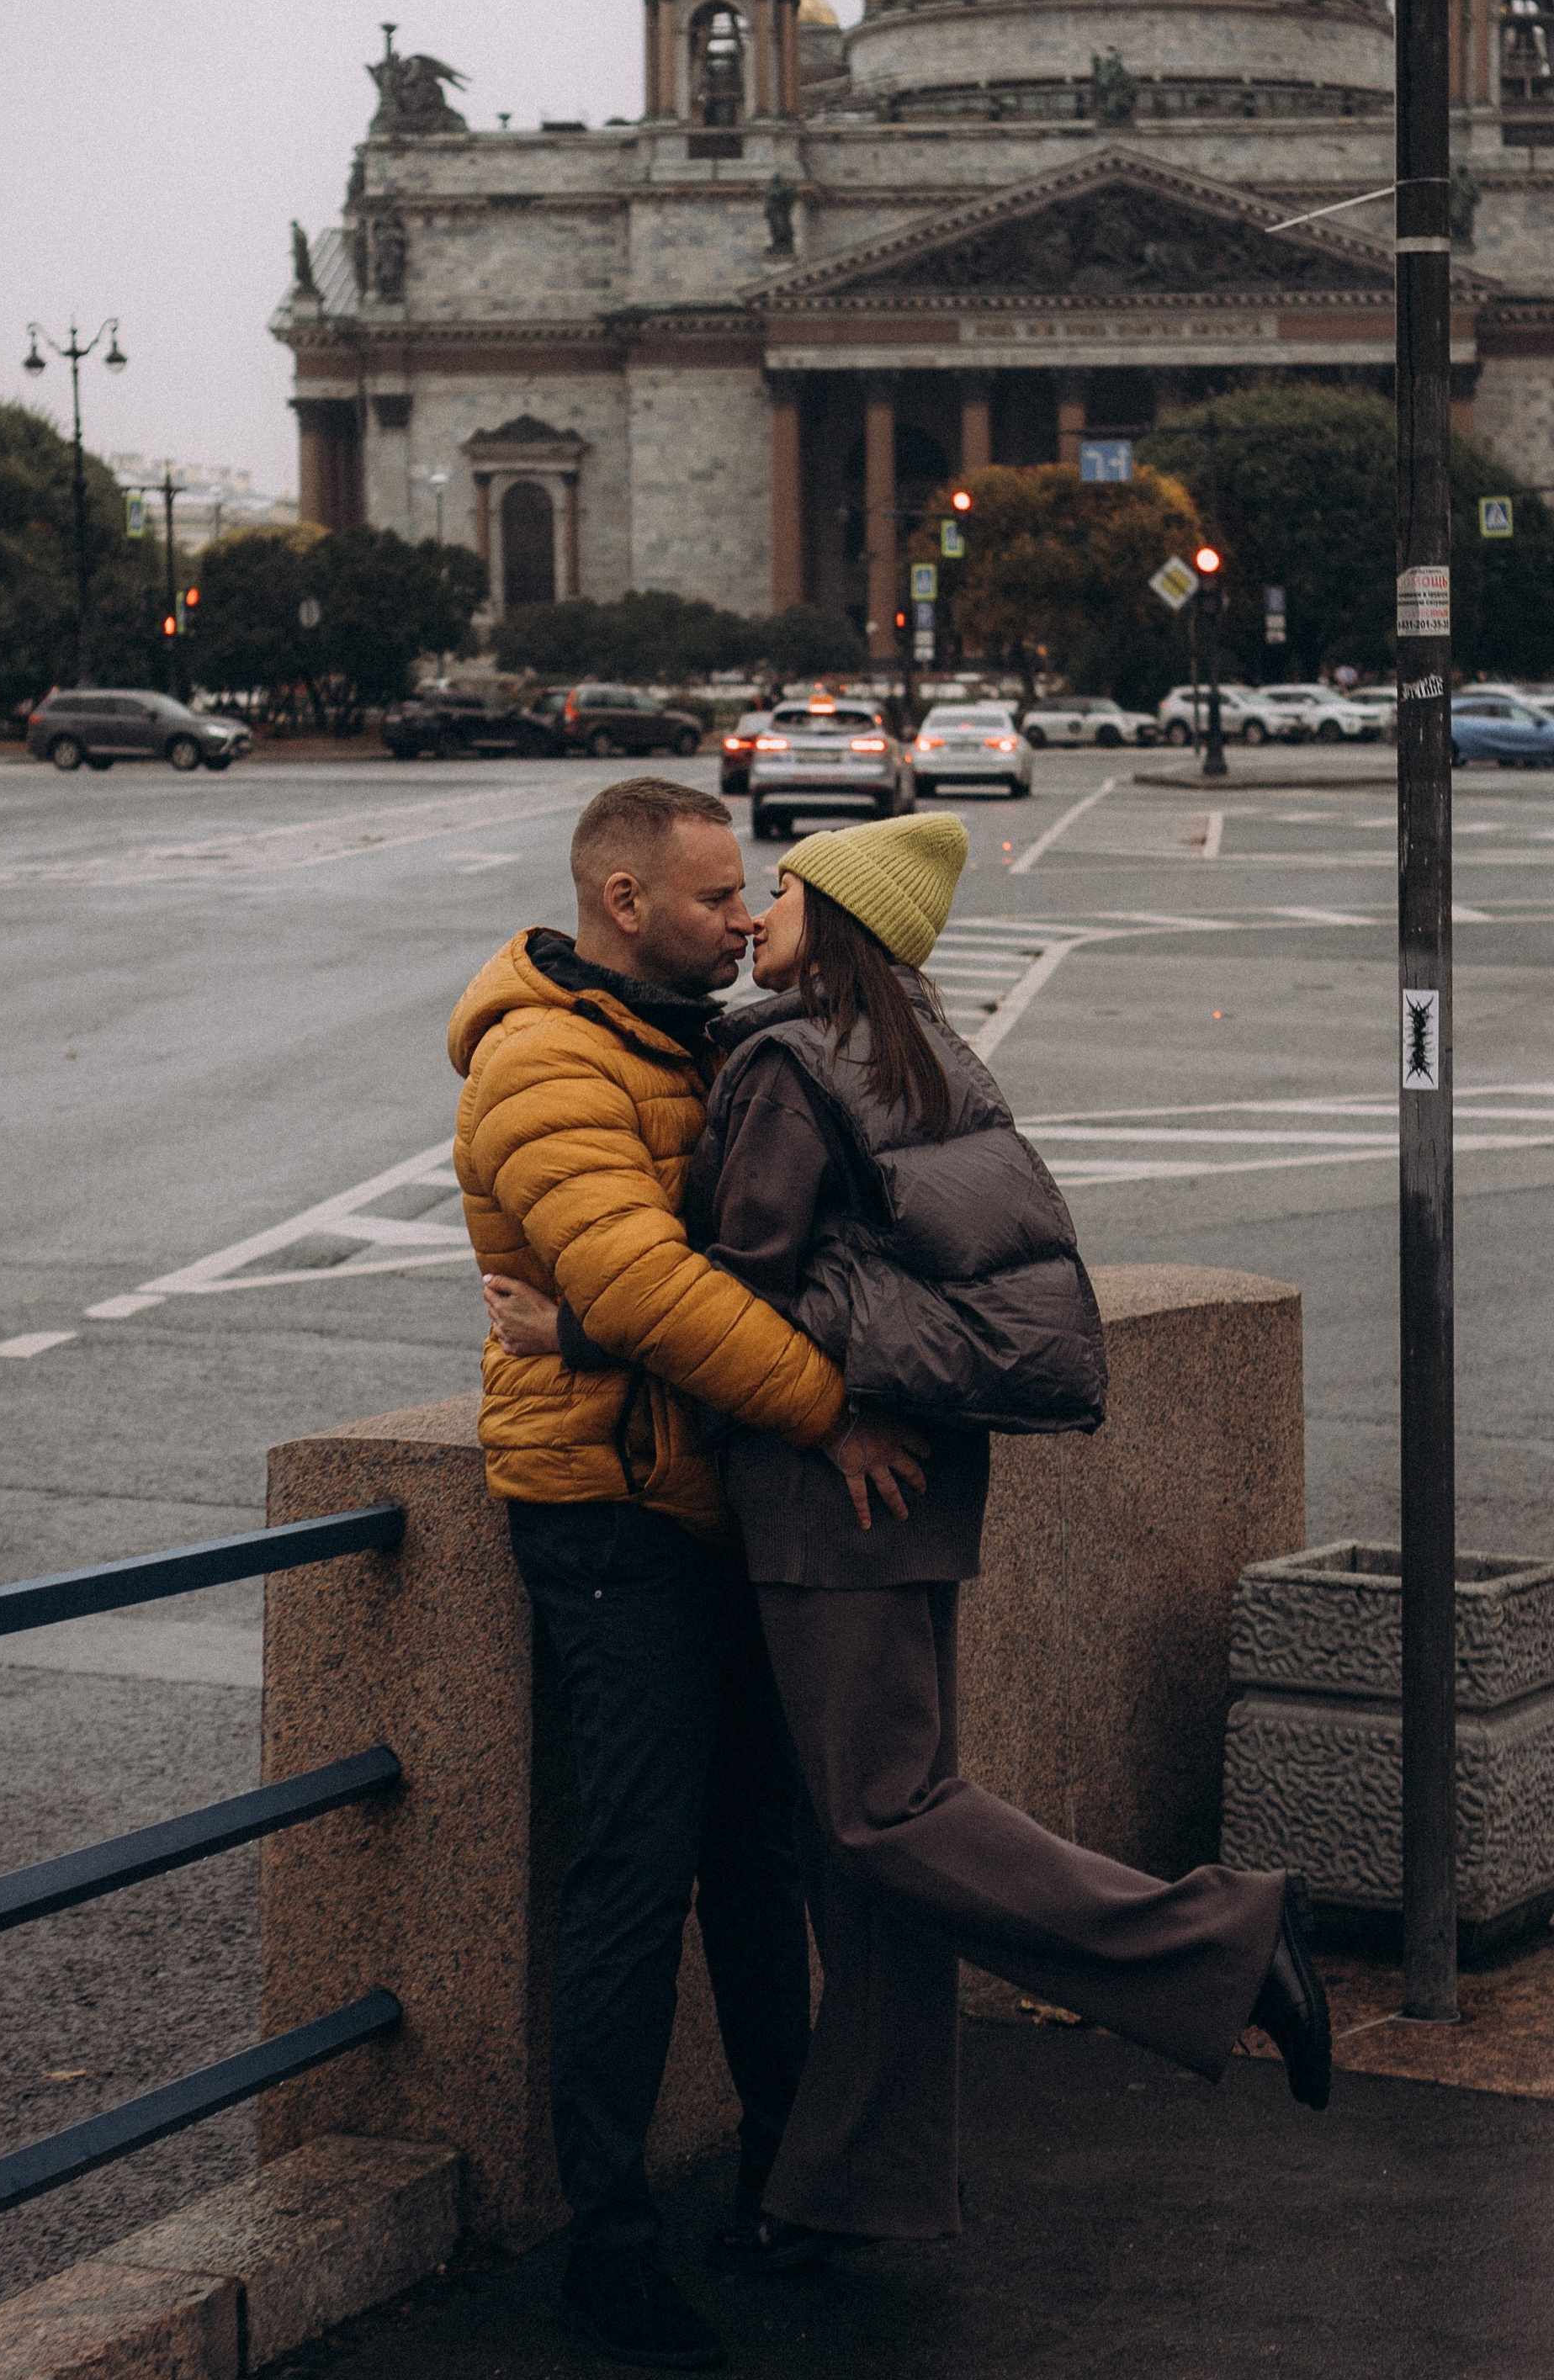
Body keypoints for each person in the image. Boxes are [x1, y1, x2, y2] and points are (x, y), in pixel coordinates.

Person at [490, 806, 1331, 2261]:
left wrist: (578, 1326)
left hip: (832, 1498)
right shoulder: (929, 1055)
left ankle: (1225, 1946)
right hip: (932, 1483)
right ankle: (860, 2182)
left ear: (847, 921)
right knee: (857, 1847)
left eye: (784, 893)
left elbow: (730, 1296)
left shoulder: (778, 1065)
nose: (758, 916)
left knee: (883, 1819)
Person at [449, 777, 926, 2368]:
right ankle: (610, 2247)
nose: (745, 918)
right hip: (607, 1516)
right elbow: (648, 1289)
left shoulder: (696, 1039)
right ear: (623, 900)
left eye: (748, 896)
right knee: (638, 1877)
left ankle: (785, 2188)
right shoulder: (542, 1059)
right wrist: (831, 1415)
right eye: (719, 899)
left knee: (762, 1860)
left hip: (710, 1497)